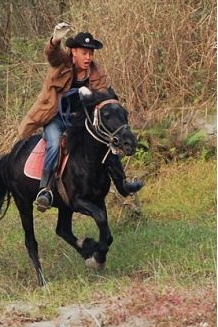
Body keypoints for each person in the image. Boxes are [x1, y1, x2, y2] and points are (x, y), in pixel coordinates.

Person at [18, 22, 143, 211]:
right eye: (84, 53)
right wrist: (55, 40)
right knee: (53, 144)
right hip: (55, 117)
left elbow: (103, 95)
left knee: (104, 141)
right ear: (74, 52)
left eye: (91, 53)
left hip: (79, 120)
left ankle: (122, 183)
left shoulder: (96, 71)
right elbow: (52, 55)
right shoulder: (62, 63)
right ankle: (45, 190)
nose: (88, 57)